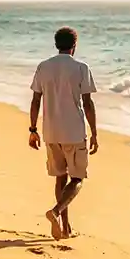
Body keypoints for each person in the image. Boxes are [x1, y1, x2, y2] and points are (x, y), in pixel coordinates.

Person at [28, 26, 98, 239]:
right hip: (74, 132)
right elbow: (87, 102)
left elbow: (35, 100)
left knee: (60, 178)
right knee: (77, 178)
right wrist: (94, 132)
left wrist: (33, 130)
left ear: (56, 44)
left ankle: (65, 228)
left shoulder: (43, 67)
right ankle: (56, 212)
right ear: (74, 45)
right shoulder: (81, 68)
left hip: (51, 131)